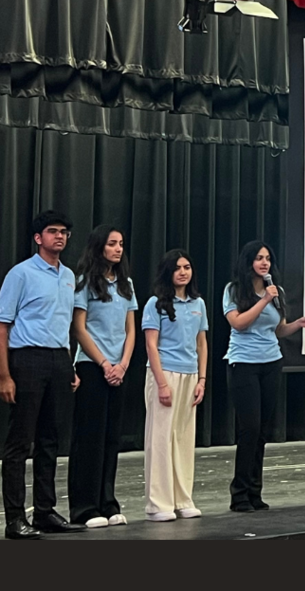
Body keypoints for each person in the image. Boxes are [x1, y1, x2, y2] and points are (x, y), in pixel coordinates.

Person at [0, 210, 86, 539]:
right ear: (39, 238)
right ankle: (14, 519)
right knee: (20, 441)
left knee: (50, 441)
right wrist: (5, 375)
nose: (60, 237)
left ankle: (45, 512)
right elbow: (3, 326)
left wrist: (70, 365)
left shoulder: (68, 276)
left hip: (58, 359)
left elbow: (65, 325)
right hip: (27, 359)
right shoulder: (21, 274)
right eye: (53, 231)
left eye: (64, 232)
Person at [223, 240, 305, 511]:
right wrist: (264, 299)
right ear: (248, 262)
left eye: (267, 258)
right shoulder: (233, 290)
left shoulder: (277, 291)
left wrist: (297, 325)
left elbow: (277, 330)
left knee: (263, 431)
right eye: (258, 258)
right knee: (249, 429)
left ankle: (255, 492)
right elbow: (239, 323)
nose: (264, 263)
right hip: (243, 364)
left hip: (271, 363)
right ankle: (239, 494)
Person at [67, 225, 138, 528]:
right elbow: (79, 328)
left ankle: (108, 502)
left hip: (118, 370)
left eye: (121, 244)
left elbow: (131, 329)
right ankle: (85, 508)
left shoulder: (126, 284)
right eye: (112, 244)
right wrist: (105, 364)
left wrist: (122, 365)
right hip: (92, 367)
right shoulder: (84, 283)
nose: (118, 249)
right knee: (89, 439)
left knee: (111, 438)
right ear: (99, 247)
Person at [141, 250, 209, 521]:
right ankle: (158, 504)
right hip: (164, 374)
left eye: (187, 267)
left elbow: (202, 343)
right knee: (160, 439)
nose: (183, 272)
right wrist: (162, 384)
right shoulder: (155, 303)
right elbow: (151, 345)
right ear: (168, 272)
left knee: (182, 438)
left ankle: (182, 499)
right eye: (178, 267)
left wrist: (202, 379)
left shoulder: (198, 304)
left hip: (190, 375)